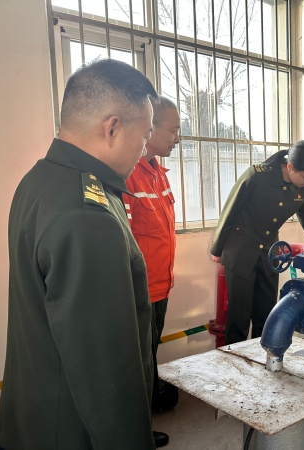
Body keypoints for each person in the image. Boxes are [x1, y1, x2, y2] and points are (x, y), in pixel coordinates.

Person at [0, 59, 160, 450]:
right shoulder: (88, 215)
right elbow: (106, 369)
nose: (145, 151)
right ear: (112, 128)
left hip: (35, 414)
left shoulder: (40, 180)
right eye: (145, 136)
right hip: (72, 431)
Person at [210, 140, 304, 345]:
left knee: (266, 314)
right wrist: (217, 248)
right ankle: (235, 359)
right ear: (290, 167)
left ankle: (262, 357)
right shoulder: (257, 176)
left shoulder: (303, 190)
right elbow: (229, 211)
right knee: (238, 317)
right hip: (240, 250)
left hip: (270, 253)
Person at [125, 95, 179, 414]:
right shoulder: (128, 175)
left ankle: (145, 417)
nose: (177, 139)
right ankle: (136, 426)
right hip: (140, 290)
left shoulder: (158, 173)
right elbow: (123, 242)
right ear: (150, 127)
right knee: (136, 361)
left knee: (149, 356)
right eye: (173, 130)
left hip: (161, 286)